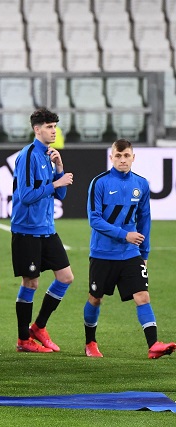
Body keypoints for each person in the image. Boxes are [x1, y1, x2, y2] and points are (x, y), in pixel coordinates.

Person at [84, 139, 176, 359]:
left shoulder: (141, 184)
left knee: (142, 295)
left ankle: (153, 345)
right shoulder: (99, 183)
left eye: (126, 156)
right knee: (95, 298)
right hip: (102, 253)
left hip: (130, 254)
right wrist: (124, 234)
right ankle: (90, 343)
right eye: (118, 156)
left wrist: (144, 253)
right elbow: (94, 220)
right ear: (111, 157)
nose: (122, 160)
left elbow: (145, 219)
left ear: (133, 157)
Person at [11, 108, 74, 353]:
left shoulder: (49, 155)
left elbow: (60, 193)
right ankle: (22, 340)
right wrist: (56, 182)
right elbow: (26, 196)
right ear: (37, 129)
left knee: (66, 277)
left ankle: (38, 327)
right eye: (49, 127)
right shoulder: (28, 155)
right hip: (27, 229)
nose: (53, 131)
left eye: (55, 127)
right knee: (31, 282)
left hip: (47, 228)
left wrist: (59, 167)